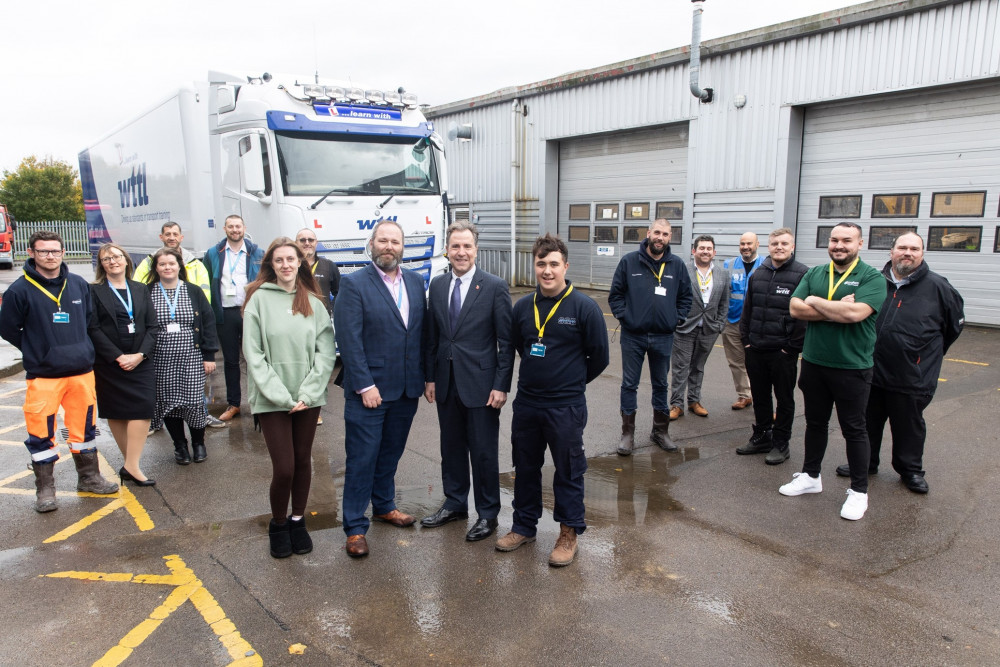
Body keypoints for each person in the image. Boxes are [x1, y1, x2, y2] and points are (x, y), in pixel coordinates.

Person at [496, 234, 609, 567]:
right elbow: (519, 347)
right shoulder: (522, 308)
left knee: (569, 471)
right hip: (528, 405)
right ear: (535, 265)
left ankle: (568, 532)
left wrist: (571, 381)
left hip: (566, 407)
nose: (547, 271)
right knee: (525, 467)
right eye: (541, 264)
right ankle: (523, 526)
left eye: (553, 264)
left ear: (565, 266)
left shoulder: (584, 308)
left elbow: (599, 357)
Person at [833, 232, 964, 494]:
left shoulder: (939, 287)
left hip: (912, 375)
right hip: (870, 370)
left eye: (914, 249)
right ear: (891, 252)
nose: (908, 253)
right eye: (902, 247)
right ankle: (865, 463)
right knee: (866, 422)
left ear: (922, 254)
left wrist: (923, 356)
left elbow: (953, 328)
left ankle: (910, 470)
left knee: (908, 426)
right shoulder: (873, 282)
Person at [0, 231, 119, 512]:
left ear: (63, 252)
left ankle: (89, 478)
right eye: (43, 252)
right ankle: (45, 490)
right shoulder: (19, 290)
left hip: (80, 372)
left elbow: (89, 322)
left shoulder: (78, 284)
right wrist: (36, 349)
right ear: (31, 253)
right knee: (41, 433)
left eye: (55, 251)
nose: (50, 256)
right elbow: (6, 328)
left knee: (84, 429)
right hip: (44, 376)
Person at [780, 222, 886, 521]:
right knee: (815, 423)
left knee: (854, 429)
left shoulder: (872, 278)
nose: (839, 245)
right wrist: (833, 306)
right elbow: (795, 309)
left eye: (847, 241)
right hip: (814, 363)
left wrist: (815, 301)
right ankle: (811, 477)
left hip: (852, 367)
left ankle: (859, 492)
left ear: (860, 244)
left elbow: (855, 314)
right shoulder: (815, 273)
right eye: (834, 240)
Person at [333, 219, 426, 558]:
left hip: (405, 389)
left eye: (395, 242)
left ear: (403, 247)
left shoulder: (416, 282)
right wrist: (364, 384)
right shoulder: (354, 284)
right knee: (362, 459)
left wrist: (425, 378)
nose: (389, 246)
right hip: (369, 392)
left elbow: (419, 335)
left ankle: (385, 506)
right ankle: (355, 527)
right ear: (371, 244)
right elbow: (348, 340)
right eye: (383, 240)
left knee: (390, 454)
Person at [243, 238, 336, 558]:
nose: (285, 265)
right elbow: (253, 355)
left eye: (290, 259)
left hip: (307, 398)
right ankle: (279, 523)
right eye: (279, 260)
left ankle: (298, 521)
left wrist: (308, 393)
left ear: (301, 263)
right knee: (284, 467)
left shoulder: (313, 301)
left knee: (303, 461)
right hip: (272, 399)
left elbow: (326, 353)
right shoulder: (258, 300)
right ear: (271, 264)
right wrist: (281, 396)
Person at [421, 221, 514, 542]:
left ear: (476, 250)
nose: (461, 253)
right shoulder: (437, 285)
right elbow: (433, 336)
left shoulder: (494, 286)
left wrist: (501, 384)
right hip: (446, 383)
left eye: (467, 246)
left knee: (484, 452)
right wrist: (430, 378)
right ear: (447, 250)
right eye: (455, 246)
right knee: (451, 448)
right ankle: (455, 503)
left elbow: (506, 341)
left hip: (483, 386)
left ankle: (488, 514)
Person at [608, 218, 692, 455]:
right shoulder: (629, 262)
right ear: (648, 233)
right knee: (629, 384)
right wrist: (625, 317)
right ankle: (627, 434)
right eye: (657, 233)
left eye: (665, 234)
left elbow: (686, 297)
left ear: (670, 237)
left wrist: (677, 318)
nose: (660, 238)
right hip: (633, 336)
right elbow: (615, 294)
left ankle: (660, 431)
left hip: (663, 336)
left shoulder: (676, 265)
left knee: (661, 384)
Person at [133, 221, 222, 430]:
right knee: (165, 391)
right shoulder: (147, 265)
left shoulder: (195, 264)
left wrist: (198, 321)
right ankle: (165, 427)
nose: (171, 237)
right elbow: (138, 294)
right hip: (161, 347)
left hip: (190, 338)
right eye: (167, 234)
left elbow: (205, 296)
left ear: (181, 237)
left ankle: (202, 419)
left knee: (193, 389)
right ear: (161, 237)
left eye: (175, 234)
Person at [88, 243, 159, 486]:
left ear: (127, 260)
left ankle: (130, 465)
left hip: (141, 361)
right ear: (101, 264)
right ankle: (132, 465)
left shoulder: (140, 289)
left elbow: (152, 327)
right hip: (109, 363)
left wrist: (139, 355)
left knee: (143, 409)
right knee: (116, 412)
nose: (112, 261)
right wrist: (117, 356)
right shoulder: (93, 291)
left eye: (117, 256)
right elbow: (93, 328)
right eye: (106, 258)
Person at [736, 228, 808, 464]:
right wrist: (746, 340)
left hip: (782, 352)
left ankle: (780, 443)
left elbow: (803, 317)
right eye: (775, 243)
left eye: (784, 243)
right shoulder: (759, 274)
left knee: (784, 398)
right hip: (755, 348)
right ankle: (762, 436)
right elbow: (748, 309)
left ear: (792, 247)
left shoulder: (802, 274)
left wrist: (791, 348)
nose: (779, 247)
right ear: (769, 246)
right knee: (760, 395)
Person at [146, 247, 219, 465]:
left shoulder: (193, 291)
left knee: (194, 402)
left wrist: (209, 356)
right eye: (162, 264)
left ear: (179, 266)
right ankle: (180, 445)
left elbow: (208, 322)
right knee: (169, 404)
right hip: (161, 359)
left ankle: (198, 443)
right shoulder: (147, 292)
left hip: (192, 357)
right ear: (156, 268)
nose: (167, 267)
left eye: (171, 263)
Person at [203, 215, 264, 422]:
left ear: (244, 228)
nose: (235, 230)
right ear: (225, 228)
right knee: (230, 361)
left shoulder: (257, 252)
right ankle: (234, 404)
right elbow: (208, 280)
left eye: (238, 226)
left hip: (250, 312)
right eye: (231, 226)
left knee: (255, 358)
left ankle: (260, 403)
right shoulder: (213, 253)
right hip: (226, 313)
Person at [668, 235, 731, 420]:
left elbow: (724, 303)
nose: (705, 251)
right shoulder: (682, 270)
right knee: (681, 367)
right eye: (701, 248)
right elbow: (673, 298)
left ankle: (694, 401)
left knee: (698, 367)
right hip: (684, 328)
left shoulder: (722, 274)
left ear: (714, 252)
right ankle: (676, 404)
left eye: (709, 248)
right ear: (694, 251)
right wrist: (676, 321)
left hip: (709, 329)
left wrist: (719, 325)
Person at [721, 232, 764, 411]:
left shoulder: (767, 265)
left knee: (758, 363)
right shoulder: (728, 265)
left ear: (757, 244)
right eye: (742, 243)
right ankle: (744, 395)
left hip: (757, 323)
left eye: (749, 243)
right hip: (732, 321)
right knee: (736, 361)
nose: (746, 247)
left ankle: (761, 397)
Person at [294, 227, 340, 317]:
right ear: (296, 243)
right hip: (297, 318)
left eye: (311, 240)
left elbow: (339, 292)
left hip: (322, 320)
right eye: (302, 240)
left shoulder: (329, 265)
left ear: (316, 243)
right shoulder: (291, 266)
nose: (307, 243)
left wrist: (332, 308)